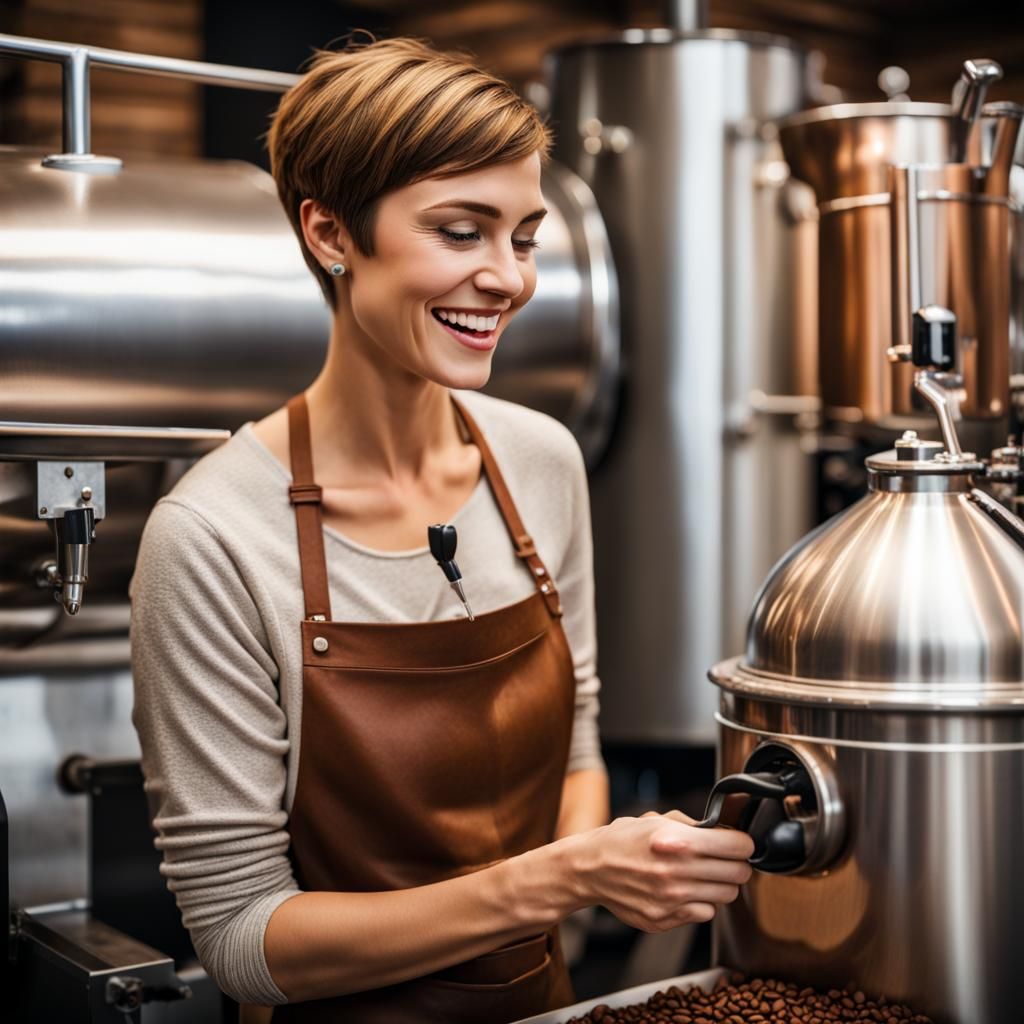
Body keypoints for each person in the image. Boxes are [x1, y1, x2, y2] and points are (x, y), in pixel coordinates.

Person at [129, 36, 753, 1024]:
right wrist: (559, 879)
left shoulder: (541, 460)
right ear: (330, 233)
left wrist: (594, 872)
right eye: (461, 232)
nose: (508, 278)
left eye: (524, 236)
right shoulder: (208, 536)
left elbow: (577, 744)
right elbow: (245, 938)